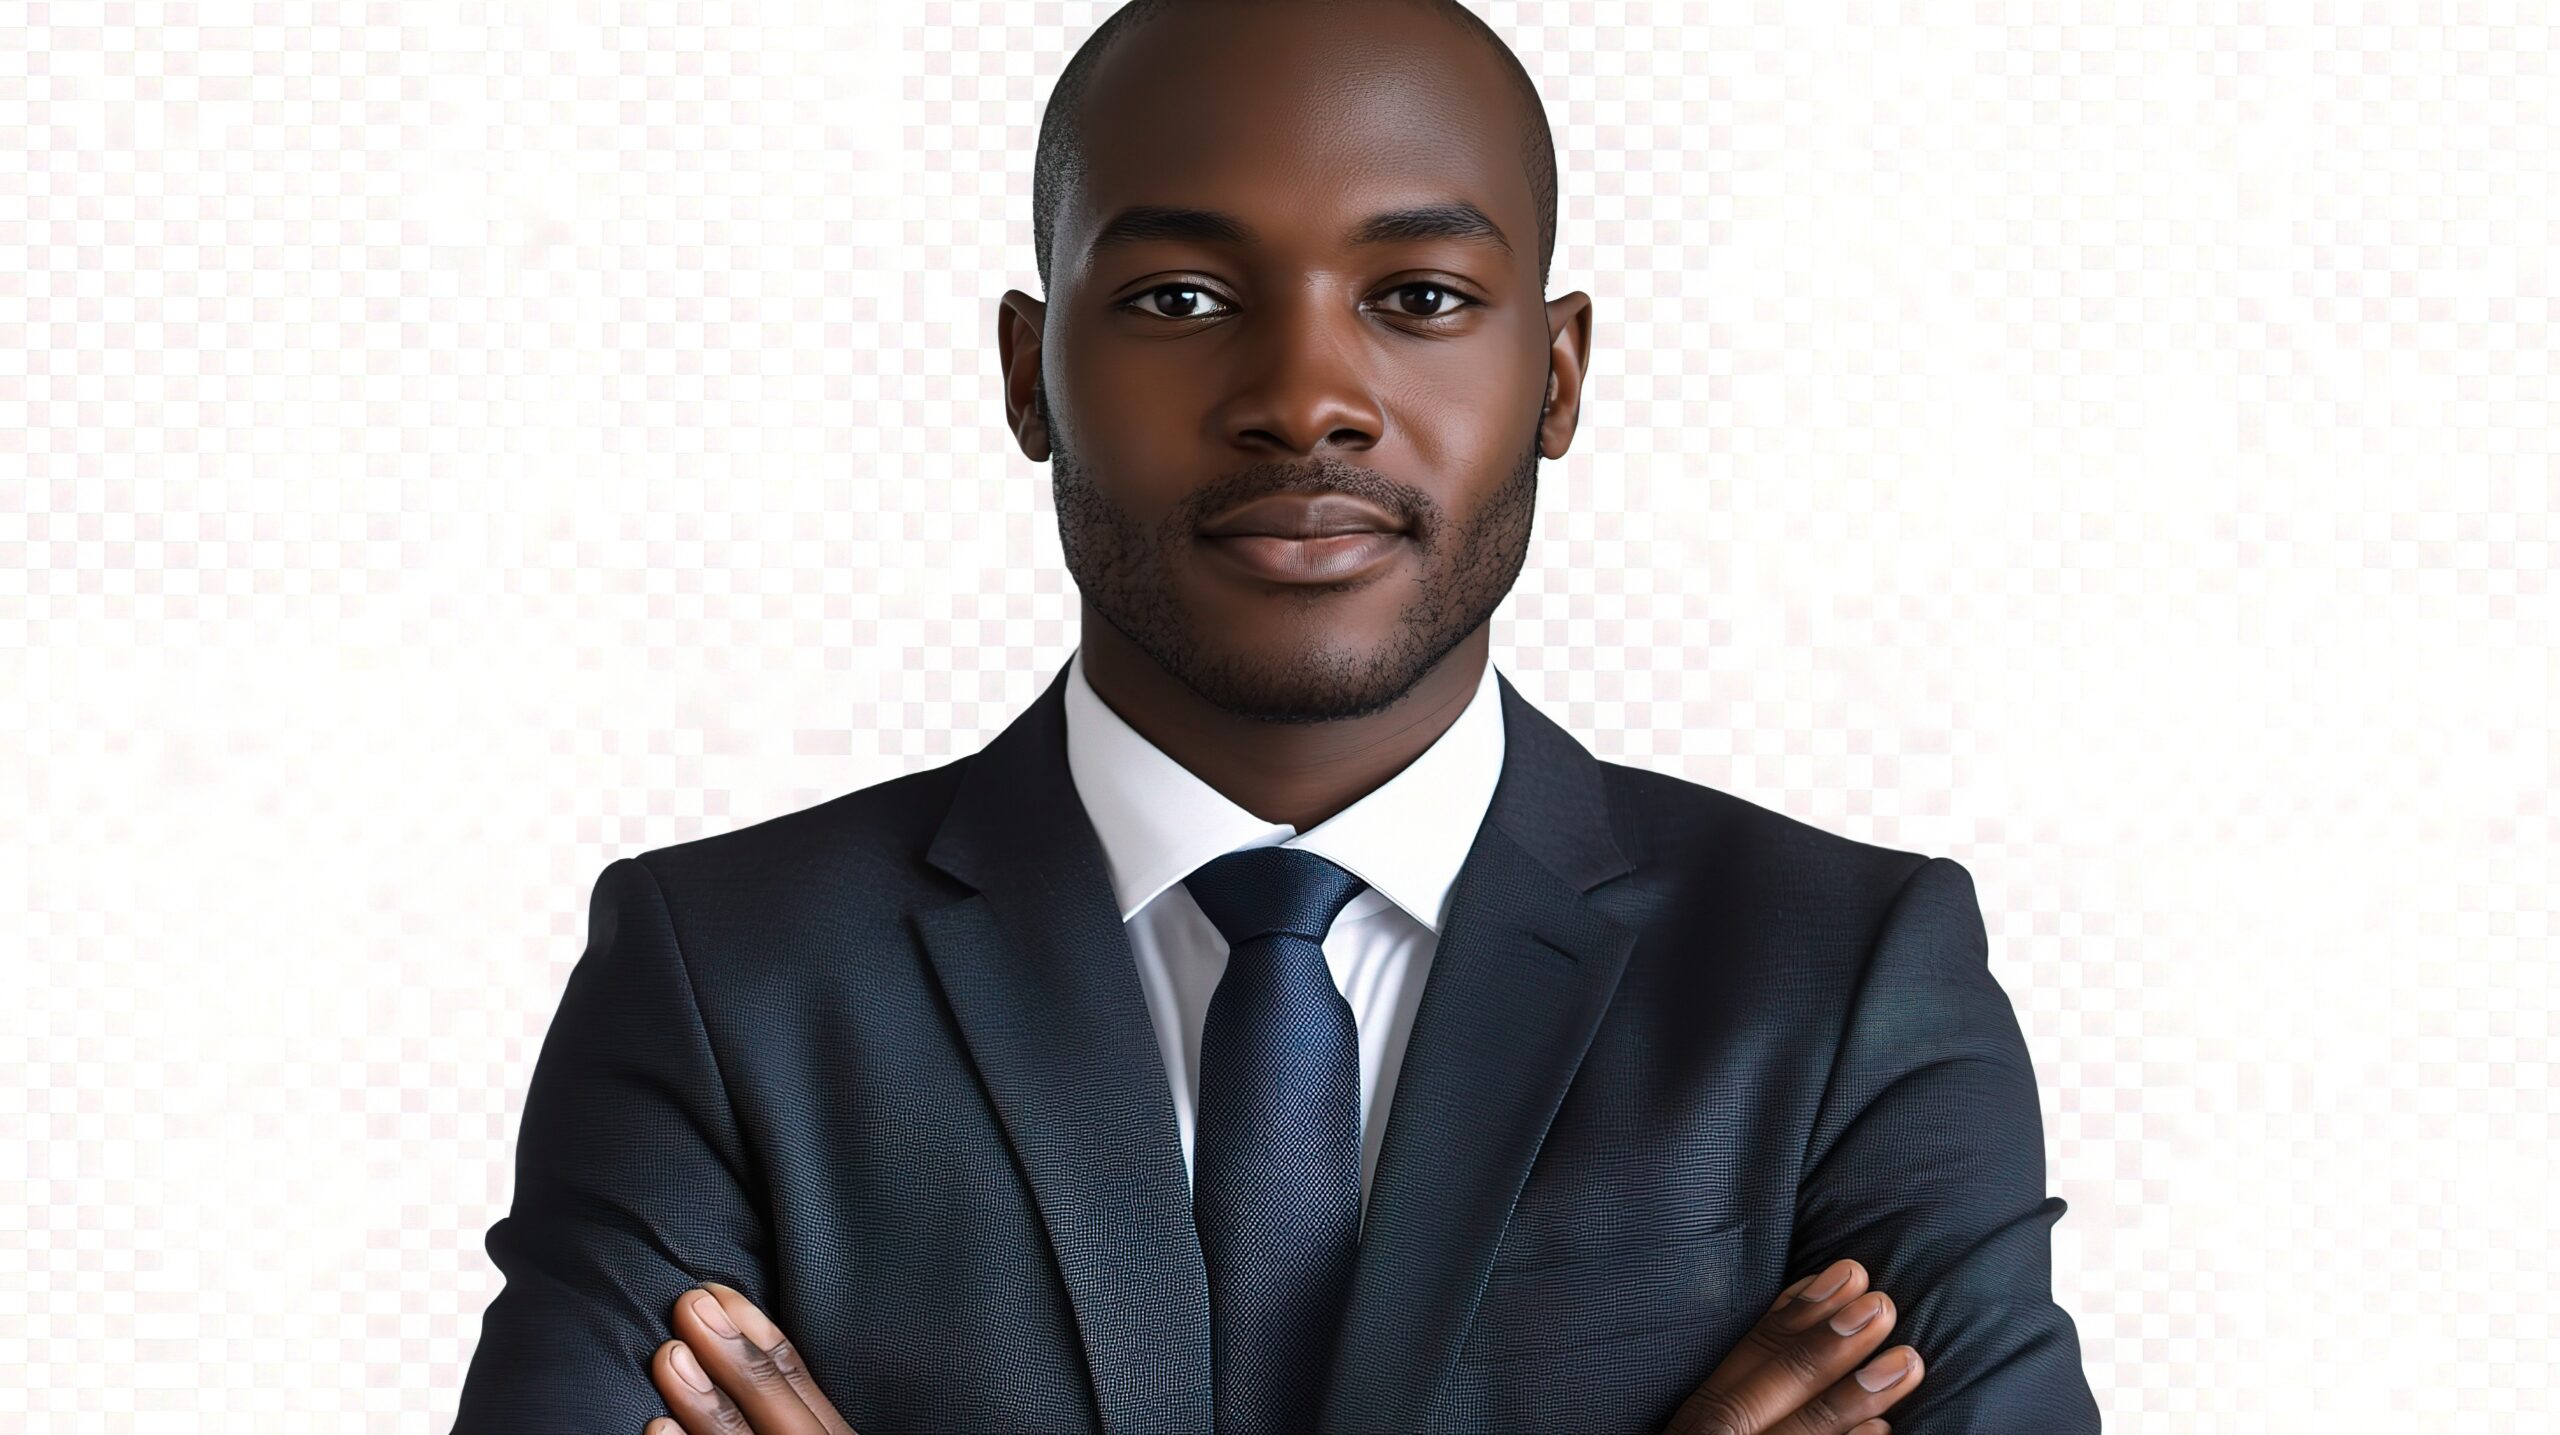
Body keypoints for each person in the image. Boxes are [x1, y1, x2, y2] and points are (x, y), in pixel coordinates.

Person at [452, 2, 2102, 1431]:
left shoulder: (1845, 981)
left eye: (1423, 297)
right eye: (1178, 296)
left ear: (1558, 375)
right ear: (1031, 375)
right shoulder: (724, 977)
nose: (1306, 395)